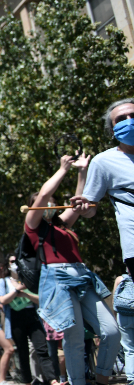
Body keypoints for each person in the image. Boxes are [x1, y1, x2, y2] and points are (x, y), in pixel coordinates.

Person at [29, 154, 128, 385]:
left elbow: (78, 202)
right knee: (73, 338)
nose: (51, 203)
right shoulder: (33, 226)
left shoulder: (62, 226)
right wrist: (63, 169)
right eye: (47, 202)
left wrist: (82, 172)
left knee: (111, 331)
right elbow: (42, 195)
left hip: (82, 277)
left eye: (54, 202)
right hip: (58, 279)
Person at [70, 98, 134, 278]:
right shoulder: (103, 162)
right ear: (112, 130)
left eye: (133, 115)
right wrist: (83, 207)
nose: (129, 121)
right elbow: (90, 208)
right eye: (121, 119)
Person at [114, 273, 134, 385]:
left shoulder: (121, 279)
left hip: (124, 316)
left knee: (129, 349)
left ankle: (132, 380)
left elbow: (115, 301)